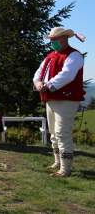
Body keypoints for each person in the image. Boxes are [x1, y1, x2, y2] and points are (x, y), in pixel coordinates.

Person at [33, 27, 85, 177]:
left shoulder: (74, 55)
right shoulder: (50, 56)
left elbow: (67, 75)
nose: (52, 42)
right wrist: (38, 83)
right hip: (51, 98)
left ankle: (65, 168)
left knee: (63, 133)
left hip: (67, 99)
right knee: (54, 133)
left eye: (54, 39)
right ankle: (58, 162)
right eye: (51, 39)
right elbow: (39, 72)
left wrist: (47, 85)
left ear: (64, 38)